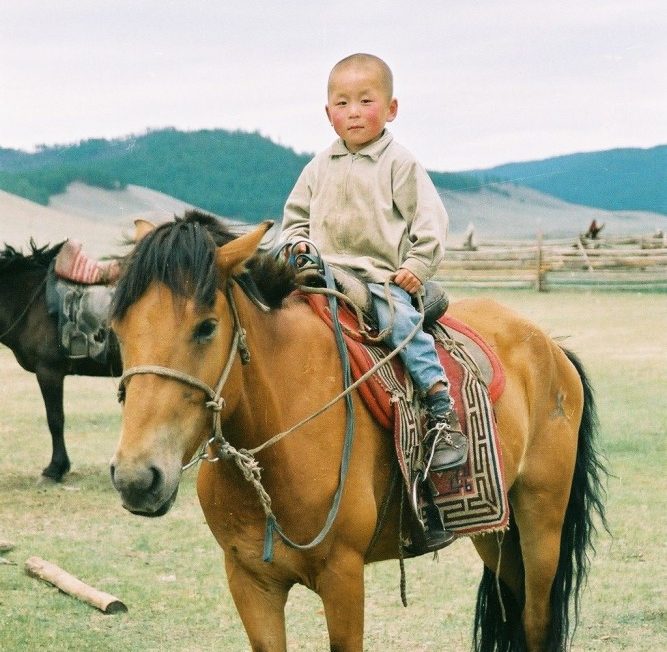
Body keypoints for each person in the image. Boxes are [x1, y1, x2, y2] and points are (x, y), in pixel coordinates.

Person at [280, 53, 467, 550]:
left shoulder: (399, 163)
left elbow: (431, 222)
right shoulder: (318, 166)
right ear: (327, 113)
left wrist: (417, 266)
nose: (355, 112)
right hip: (321, 273)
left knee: (403, 327)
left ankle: (439, 406)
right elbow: (295, 219)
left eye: (367, 101)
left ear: (392, 107)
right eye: (343, 103)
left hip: (378, 277)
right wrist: (297, 244)